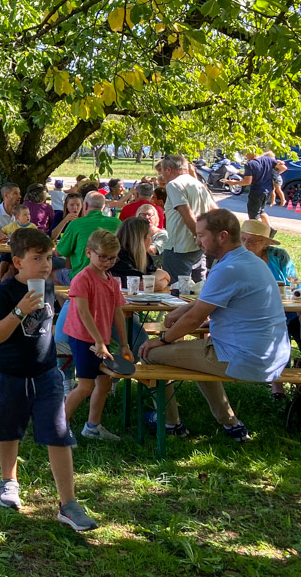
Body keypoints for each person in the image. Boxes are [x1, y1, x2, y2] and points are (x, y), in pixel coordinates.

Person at [137, 210, 292, 442]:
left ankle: (170, 423)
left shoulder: (229, 268)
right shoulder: (248, 260)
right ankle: (231, 424)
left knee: (151, 354)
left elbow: (194, 319)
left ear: (222, 236)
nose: (197, 240)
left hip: (246, 358)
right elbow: (203, 303)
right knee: (197, 354)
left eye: (201, 235)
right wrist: (179, 311)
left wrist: (162, 339)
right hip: (269, 355)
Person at [0, 229, 97, 532]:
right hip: (8, 374)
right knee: (8, 429)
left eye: (48, 257)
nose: (46, 264)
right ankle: (9, 481)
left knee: (58, 432)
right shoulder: (3, 293)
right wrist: (20, 311)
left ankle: (68, 504)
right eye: (37, 258)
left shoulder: (47, 286)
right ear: (18, 262)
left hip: (46, 374)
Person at [61, 229, 130, 441]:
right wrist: (98, 341)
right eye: (103, 257)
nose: (108, 262)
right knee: (85, 386)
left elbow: (118, 312)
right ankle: (58, 428)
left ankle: (92, 427)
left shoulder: (111, 280)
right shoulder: (82, 279)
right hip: (83, 338)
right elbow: (83, 312)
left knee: (105, 384)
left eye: (112, 258)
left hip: (101, 340)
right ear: (89, 252)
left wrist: (125, 344)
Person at [239, 219, 298, 398]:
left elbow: (294, 282)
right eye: (243, 239)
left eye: (253, 240)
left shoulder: (278, 256)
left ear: (265, 243)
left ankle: (297, 378)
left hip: (288, 312)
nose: (246, 244)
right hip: (257, 316)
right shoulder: (235, 257)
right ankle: (277, 384)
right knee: (278, 336)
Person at [161, 154, 217, 283]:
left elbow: (187, 214)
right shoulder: (197, 183)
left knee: (177, 291)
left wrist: (198, 237)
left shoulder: (174, 185)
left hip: (180, 246)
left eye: (163, 171)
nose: (163, 175)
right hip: (197, 247)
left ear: (169, 170)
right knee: (198, 288)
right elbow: (215, 210)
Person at [55, 192, 121, 281]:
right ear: (104, 206)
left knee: (53, 274)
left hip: (80, 276)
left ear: (85, 205)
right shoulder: (117, 223)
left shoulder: (76, 224)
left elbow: (59, 252)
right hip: (112, 274)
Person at [110, 218, 170, 290]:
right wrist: (156, 280)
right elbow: (140, 284)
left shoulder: (144, 255)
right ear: (141, 239)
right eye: (150, 236)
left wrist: (156, 282)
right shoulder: (120, 257)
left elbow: (164, 275)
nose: (151, 240)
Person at [238, 151, 275, 226]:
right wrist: (272, 175)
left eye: (247, 153)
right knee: (261, 211)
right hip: (266, 191)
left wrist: (233, 183)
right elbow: (283, 167)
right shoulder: (267, 160)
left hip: (256, 192)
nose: (245, 155)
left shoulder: (250, 164)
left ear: (252, 153)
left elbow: (247, 182)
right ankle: (270, 230)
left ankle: (257, 232)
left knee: (254, 215)